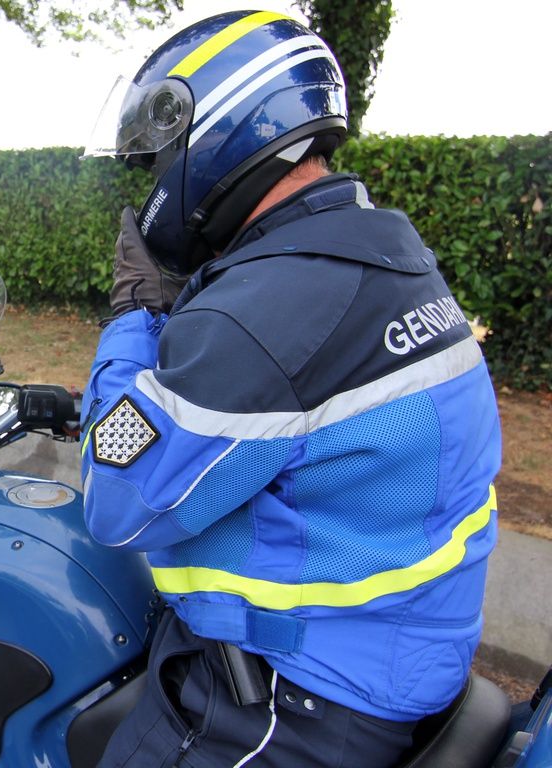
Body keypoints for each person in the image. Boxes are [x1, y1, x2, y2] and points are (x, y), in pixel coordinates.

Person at [80, 11, 501, 767]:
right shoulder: (385, 254)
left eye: (154, 161)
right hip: (406, 649)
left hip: (297, 700)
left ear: (209, 136)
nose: (149, 185)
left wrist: (134, 318)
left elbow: (117, 497)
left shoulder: (266, 313)